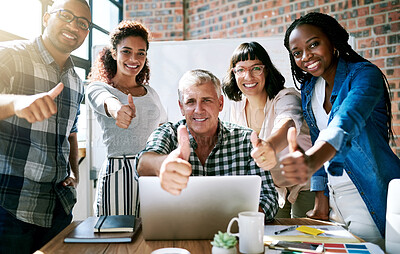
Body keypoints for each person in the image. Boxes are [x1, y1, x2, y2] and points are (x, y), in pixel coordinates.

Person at [281, 12, 400, 247]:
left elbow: (346, 122)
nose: (306, 57)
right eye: (297, 53)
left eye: (313, 44)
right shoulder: (309, 87)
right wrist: (321, 200)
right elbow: (317, 138)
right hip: (335, 201)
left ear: (333, 41)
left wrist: (311, 160)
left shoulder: (365, 75)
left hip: (368, 195)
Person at [0, 0, 91, 253]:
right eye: (66, 15)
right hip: (9, 207)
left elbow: (71, 132)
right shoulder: (10, 55)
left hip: (58, 210)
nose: (74, 25)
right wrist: (17, 103)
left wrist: (74, 171)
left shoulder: (76, 80)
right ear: (46, 17)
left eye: (82, 23)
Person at [136, 69, 278, 220]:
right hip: (178, 233)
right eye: (190, 102)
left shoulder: (246, 140)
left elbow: (269, 199)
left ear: (220, 103)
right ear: (181, 107)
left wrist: (239, 215)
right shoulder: (168, 133)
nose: (199, 110)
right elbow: (142, 163)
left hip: (232, 235)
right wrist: (162, 164)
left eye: (206, 100)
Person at [222, 41, 317, 219]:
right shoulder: (236, 107)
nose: (248, 76)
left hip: (304, 182)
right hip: (272, 185)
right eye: (240, 70)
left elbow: (288, 122)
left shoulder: (286, 98)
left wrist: (271, 147)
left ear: (266, 70)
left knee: (304, 238)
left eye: (255, 68)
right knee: (272, 236)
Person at [87, 20, 167, 216]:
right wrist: (117, 110)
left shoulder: (151, 93)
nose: (134, 58)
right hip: (118, 173)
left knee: (151, 235)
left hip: (151, 171)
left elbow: (164, 128)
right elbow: (106, 101)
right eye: (126, 51)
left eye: (141, 53)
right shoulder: (99, 88)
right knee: (117, 239)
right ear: (114, 53)